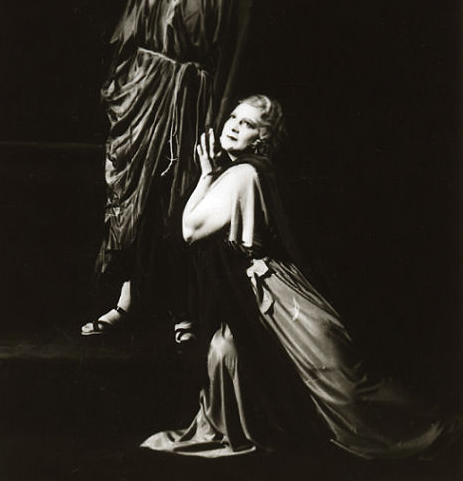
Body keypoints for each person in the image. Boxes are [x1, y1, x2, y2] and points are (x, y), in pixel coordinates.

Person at [141, 94, 460, 458]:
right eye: (233, 118)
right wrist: (209, 176)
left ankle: (438, 429)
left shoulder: (244, 174)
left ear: (261, 138)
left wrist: (206, 176)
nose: (234, 126)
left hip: (275, 291)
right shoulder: (243, 171)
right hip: (259, 290)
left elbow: (189, 230)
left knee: (343, 386)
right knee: (233, 352)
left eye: (247, 124)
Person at [81, 0, 252, 340]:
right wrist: (125, 87)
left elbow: (235, 54)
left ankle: (186, 309)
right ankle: (127, 302)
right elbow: (130, 28)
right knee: (135, 197)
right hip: (144, 95)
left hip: (194, 99)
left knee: (179, 197)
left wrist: (216, 118)